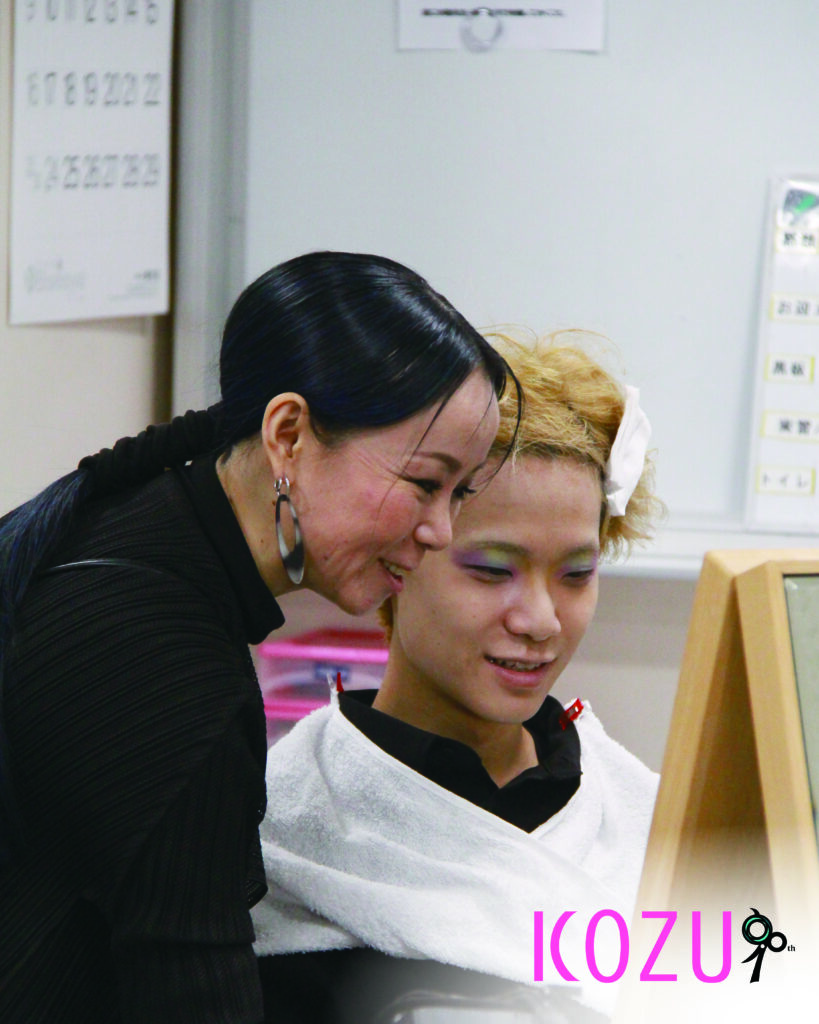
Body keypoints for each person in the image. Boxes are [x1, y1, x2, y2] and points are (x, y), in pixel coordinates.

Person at [0, 252, 515, 1023]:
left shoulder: (131, 525)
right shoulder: (172, 674)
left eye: (460, 493)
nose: (440, 529)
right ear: (288, 433)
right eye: (423, 483)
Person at [253, 333, 664, 1023]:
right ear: (398, 553)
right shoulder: (279, 832)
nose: (540, 620)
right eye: (492, 571)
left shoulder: (645, 815)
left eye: (576, 574)